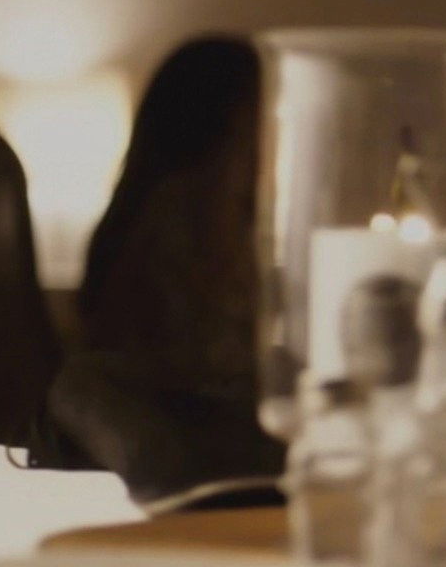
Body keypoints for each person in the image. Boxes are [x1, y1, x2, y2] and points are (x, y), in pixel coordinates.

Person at [29, 35, 283, 504]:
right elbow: (209, 363)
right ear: (225, 126)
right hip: (184, 449)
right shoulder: (187, 220)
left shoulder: (151, 210)